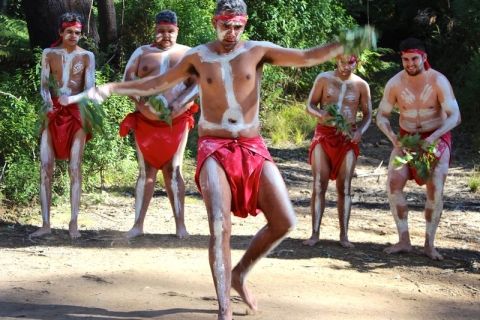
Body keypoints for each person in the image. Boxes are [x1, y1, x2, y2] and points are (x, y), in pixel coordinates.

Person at [64, 1, 373, 318]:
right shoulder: (198, 56)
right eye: (226, 25)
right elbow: (156, 83)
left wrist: (345, 42)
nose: (231, 32)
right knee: (219, 225)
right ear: (215, 22)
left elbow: (308, 56)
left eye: (238, 26)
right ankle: (223, 308)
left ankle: (240, 273)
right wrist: (111, 88)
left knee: (284, 221)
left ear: (245, 23)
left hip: (251, 145)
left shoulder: (257, 50)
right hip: (214, 145)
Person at [376, 37, 461, 260]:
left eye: (414, 58)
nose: (410, 63)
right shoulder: (395, 83)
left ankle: (429, 244)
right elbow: (382, 116)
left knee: (435, 187)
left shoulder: (438, 81)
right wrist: (392, 136)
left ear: (423, 57)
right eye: (405, 59)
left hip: (437, 137)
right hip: (406, 139)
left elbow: (455, 116)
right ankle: (404, 240)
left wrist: (433, 137)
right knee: (394, 182)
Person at [120, 10, 198, 239]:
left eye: (170, 31)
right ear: (154, 31)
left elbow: (197, 85)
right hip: (145, 121)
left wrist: (180, 104)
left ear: (177, 31)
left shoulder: (187, 54)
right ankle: (137, 225)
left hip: (177, 120)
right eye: (161, 31)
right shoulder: (142, 53)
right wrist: (142, 102)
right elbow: (127, 81)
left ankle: (180, 226)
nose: (165, 35)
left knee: (173, 169)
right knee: (146, 172)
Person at [30, 12, 95, 239]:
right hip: (52, 111)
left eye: (77, 32)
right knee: (45, 167)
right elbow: (44, 85)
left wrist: (73, 100)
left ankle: (74, 223)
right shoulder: (49, 53)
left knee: (75, 168)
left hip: (76, 113)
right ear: (61, 32)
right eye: (69, 31)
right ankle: (46, 223)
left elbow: (90, 89)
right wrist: (48, 102)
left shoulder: (87, 56)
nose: (74, 36)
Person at [303, 54, 372, 248]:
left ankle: (344, 236)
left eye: (350, 63)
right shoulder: (324, 79)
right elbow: (309, 105)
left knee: (345, 187)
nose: (345, 67)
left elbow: (368, 114)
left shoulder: (361, 85)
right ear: (336, 61)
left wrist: (360, 131)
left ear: (356, 62)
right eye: (342, 62)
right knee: (318, 184)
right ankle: (315, 234)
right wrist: (320, 114)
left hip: (347, 137)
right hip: (324, 134)